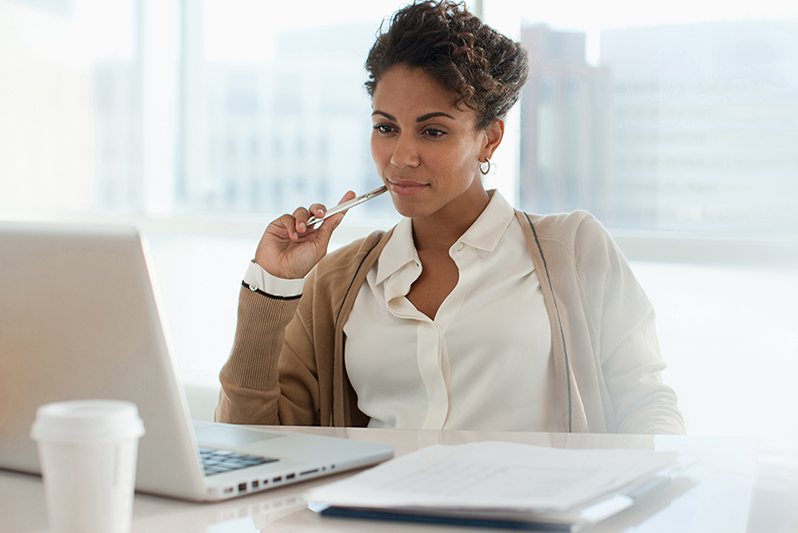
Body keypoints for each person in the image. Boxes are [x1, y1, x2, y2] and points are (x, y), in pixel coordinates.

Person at [215, 0, 685, 434]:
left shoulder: (574, 249)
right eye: (385, 128)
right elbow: (253, 443)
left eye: (433, 131)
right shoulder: (338, 282)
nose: (400, 158)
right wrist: (272, 284)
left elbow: (647, 407)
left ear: (489, 139)